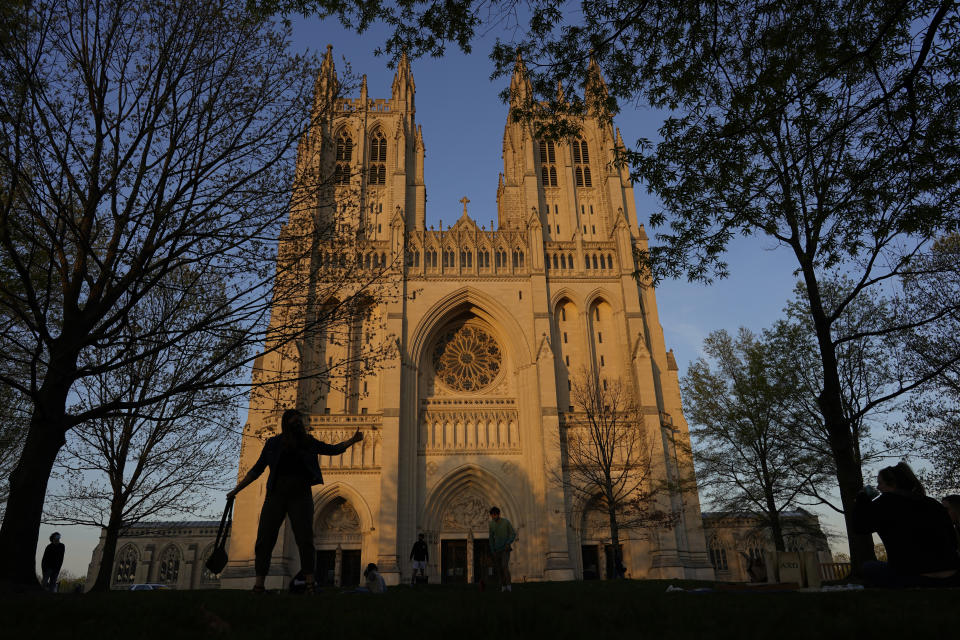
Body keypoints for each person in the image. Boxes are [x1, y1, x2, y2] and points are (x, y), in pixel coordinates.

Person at [227, 408, 363, 594]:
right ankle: (259, 584)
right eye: (295, 421)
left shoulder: (307, 443)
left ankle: (309, 584)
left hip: (301, 495)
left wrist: (352, 441)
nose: (299, 424)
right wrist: (236, 490)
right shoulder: (273, 443)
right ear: (285, 423)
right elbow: (256, 470)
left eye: (300, 421)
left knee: (305, 539)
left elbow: (331, 449)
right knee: (264, 540)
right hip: (276, 495)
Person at [852, 462, 960, 588]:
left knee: (869, 567)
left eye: (880, 483)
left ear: (892, 483)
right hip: (952, 576)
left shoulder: (884, 504)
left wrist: (862, 499)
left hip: (912, 577)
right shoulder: (933, 503)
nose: (878, 487)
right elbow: (953, 542)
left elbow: (859, 527)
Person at [488, 506, 517, 592]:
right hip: (497, 550)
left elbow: (513, 534)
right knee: (499, 569)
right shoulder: (491, 524)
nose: (493, 517)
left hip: (505, 549)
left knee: (504, 566)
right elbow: (491, 538)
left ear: (498, 514)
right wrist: (492, 549)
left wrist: (508, 542)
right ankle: (503, 586)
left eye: (494, 515)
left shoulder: (506, 522)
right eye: (492, 516)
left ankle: (509, 586)